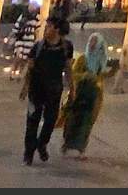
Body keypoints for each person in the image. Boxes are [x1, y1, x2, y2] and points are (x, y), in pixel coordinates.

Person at [20, 20, 73, 165]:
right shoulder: (38, 46)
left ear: (57, 29)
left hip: (54, 91)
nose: (46, 29)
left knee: (51, 120)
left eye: (49, 26)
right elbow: (30, 68)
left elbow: (68, 68)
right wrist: (25, 87)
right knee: (32, 121)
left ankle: (42, 143)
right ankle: (28, 154)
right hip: (36, 90)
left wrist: (72, 89)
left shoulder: (66, 47)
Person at [60, 32, 111, 160]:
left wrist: (112, 72)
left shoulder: (102, 60)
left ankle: (81, 149)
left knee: (87, 123)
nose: (92, 44)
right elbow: (73, 74)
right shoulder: (83, 58)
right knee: (72, 120)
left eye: (95, 41)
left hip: (94, 95)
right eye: (91, 41)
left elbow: (102, 76)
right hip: (79, 93)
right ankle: (67, 144)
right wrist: (85, 76)